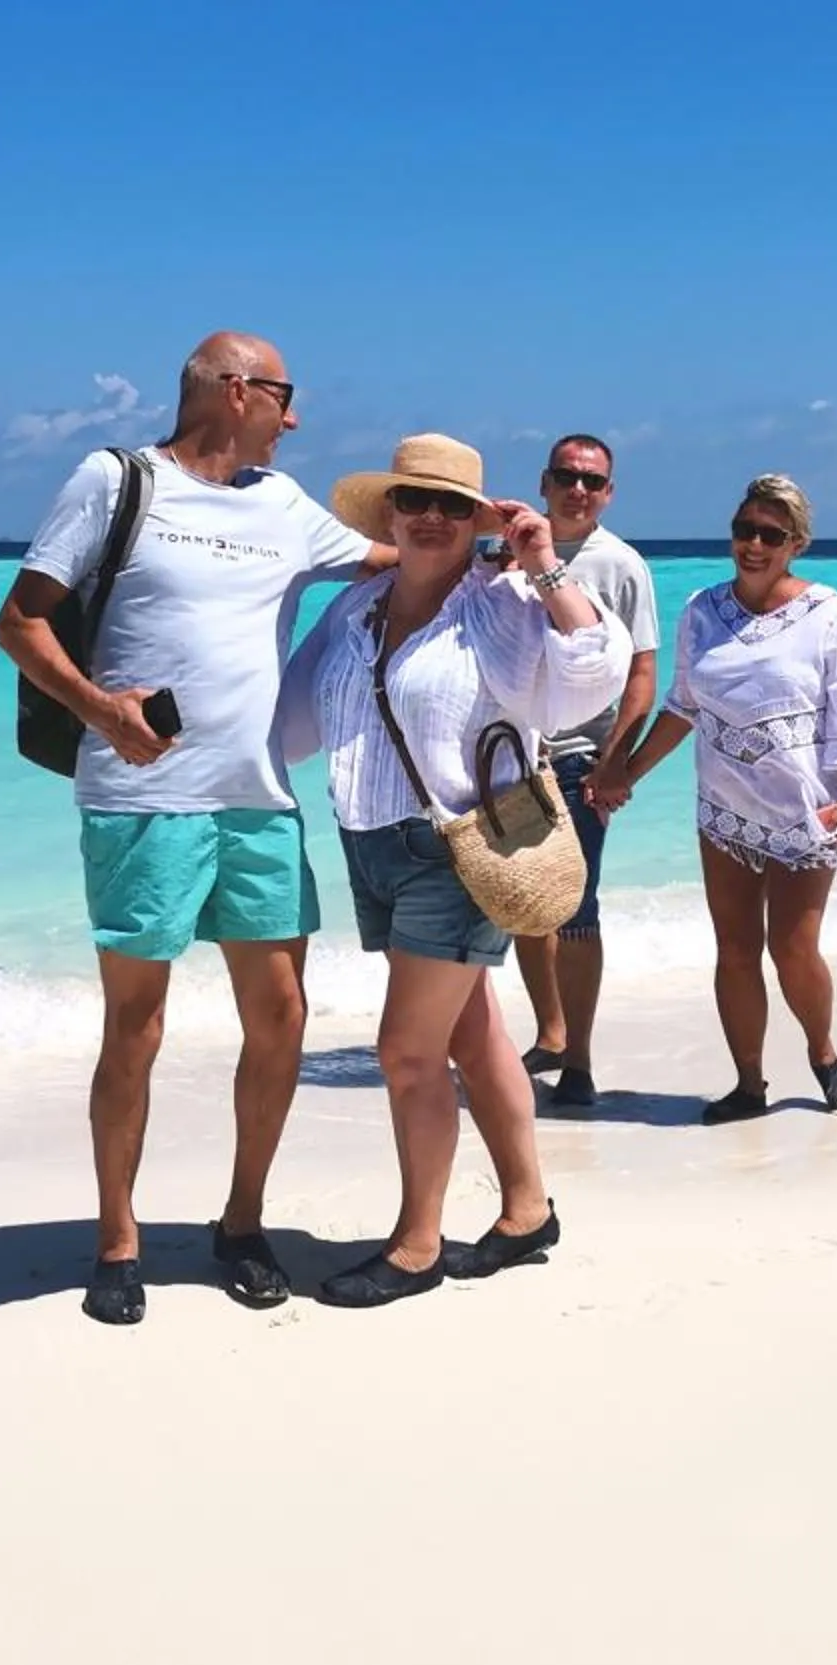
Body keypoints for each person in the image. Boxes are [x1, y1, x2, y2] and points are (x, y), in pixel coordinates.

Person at [0, 331, 393, 1327]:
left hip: (258, 798)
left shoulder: (286, 506)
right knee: (137, 1026)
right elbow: (21, 620)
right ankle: (118, 1238)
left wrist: (497, 539)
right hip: (142, 800)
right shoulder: (115, 479)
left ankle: (242, 1221)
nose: (295, 418)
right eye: (285, 395)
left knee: (283, 1016)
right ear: (232, 389)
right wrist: (99, 708)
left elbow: (401, 557)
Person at [274, 434, 631, 1308]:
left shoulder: (502, 604)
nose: (429, 518)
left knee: (405, 1053)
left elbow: (592, 679)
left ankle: (416, 1244)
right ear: (389, 513)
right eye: (413, 501)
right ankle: (526, 1211)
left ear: (477, 522)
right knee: (472, 1035)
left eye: (450, 506)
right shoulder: (355, 611)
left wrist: (544, 562)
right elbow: (288, 723)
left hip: (462, 850)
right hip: (372, 845)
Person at [589, 473, 837, 1125]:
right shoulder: (702, 610)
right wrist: (625, 771)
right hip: (723, 808)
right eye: (744, 530)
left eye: (770, 535)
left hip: (805, 809)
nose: (752, 544)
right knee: (736, 949)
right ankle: (749, 1084)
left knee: (794, 950)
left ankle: (824, 1055)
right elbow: (683, 705)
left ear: (795, 544)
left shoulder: (829, 616)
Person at [509, 435, 660, 1111]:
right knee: (518, 902)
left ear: (609, 493)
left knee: (574, 912)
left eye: (592, 482)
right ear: (545, 481)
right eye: (567, 477)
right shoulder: (511, 551)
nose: (578, 490)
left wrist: (616, 761)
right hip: (511, 755)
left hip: (579, 762)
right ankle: (551, 1032)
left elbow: (643, 674)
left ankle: (580, 1063)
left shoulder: (621, 566)